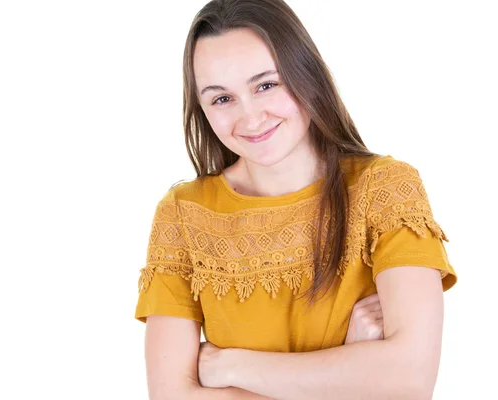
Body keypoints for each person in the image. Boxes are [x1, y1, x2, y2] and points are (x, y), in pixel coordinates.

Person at [134, 0, 458, 398]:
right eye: (221, 99)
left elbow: (410, 381)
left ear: (306, 74)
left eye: (266, 85)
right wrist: (350, 371)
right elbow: (171, 396)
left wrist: (233, 366)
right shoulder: (183, 214)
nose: (250, 117)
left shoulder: (385, 189)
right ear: (202, 108)